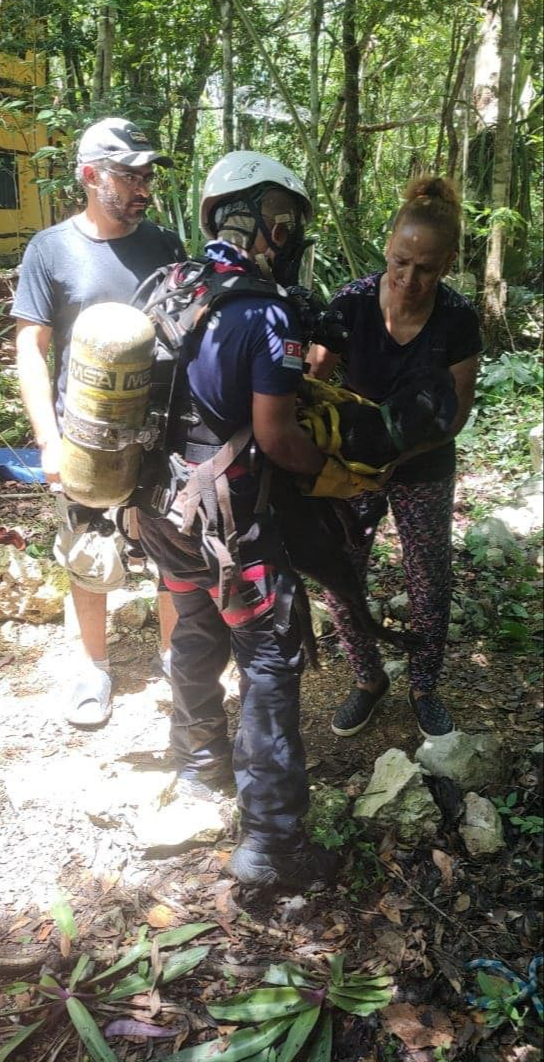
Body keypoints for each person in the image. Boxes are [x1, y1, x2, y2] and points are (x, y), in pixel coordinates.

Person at [136, 150, 340, 892]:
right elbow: (277, 435)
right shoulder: (265, 310)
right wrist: (333, 477)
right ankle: (272, 844)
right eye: (285, 222)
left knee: (193, 631)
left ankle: (197, 771)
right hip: (234, 523)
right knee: (267, 658)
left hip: (162, 513)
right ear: (263, 219)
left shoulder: (167, 285)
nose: (288, 237)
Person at [13, 118, 185, 726]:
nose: (143, 189)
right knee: (87, 548)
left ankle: (174, 655)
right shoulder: (51, 250)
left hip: (159, 431)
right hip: (86, 435)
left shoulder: (165, 246)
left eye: (147, 178)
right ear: (90, 176)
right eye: (129, 177)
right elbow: (30, 350)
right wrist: (48, 442)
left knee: (171, 548)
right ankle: (92, 667)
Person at [307, 176, 482, 740]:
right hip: (352, 467)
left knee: (429, 577)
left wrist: (399, 458)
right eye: (400, 262)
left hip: (424, 462)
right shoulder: (353, 304)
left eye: (426, 268)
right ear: (387, 246)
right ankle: (367, 679)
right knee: (340, 573)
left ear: (448, 262)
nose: (409, 279)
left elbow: (454, 414)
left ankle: (425, 687)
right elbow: (312, 381)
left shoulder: (457, 319)